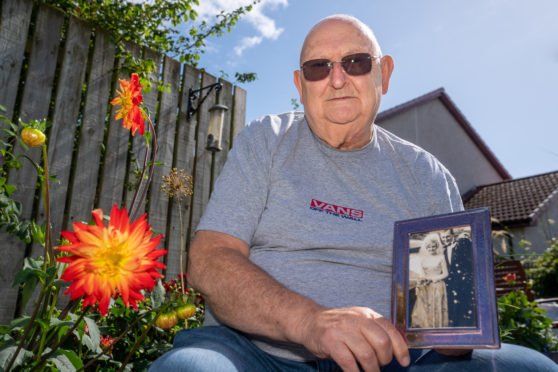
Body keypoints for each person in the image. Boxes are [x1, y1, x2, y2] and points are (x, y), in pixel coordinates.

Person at [150, 14, 558, 372]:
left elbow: (449, 318)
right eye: (318, 67)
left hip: (398, 361)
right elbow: (210, 259)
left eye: (356, 62)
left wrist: (456, 330)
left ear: (384, 73)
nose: (338, 78)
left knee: (531, 366)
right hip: (252, 354)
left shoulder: (426, 175)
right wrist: (310, 322)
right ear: (300, 83)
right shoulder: (267, 140)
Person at [410, 234, 449, 329]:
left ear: (436, 247)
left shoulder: (441, 257)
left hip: (437, 284)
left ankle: (437, 326)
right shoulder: (423, 259)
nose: (431, 249)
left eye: (433, 247)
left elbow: (446, 274)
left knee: (436, 306)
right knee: (425, 307)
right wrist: (422, 280)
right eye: (429, 247)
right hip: (426, 286)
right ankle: (427, 327)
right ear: (426, 248)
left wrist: (434, 278)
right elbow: (422, 274)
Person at [444, 231, 476, 327]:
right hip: (451, 281)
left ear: (453, 236)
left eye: (448, 237)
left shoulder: (463, 245)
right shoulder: (444, 250)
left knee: (464, 304)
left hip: (464, 279)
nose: (446, 239)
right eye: (444, 237)